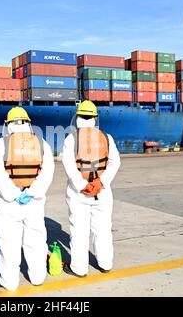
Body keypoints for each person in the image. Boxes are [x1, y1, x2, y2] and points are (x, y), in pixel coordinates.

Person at [0, 106, 55, 291]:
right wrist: (33, 192)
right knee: (36, 239)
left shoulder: (1, 144)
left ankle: (9, 282)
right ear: (28, 123)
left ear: (8, 125)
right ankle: (37, 277)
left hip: (8, 203)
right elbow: (48, 172)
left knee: (9, 243)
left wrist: (14, 194)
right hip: (33, 201)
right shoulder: (42, 143)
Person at [62, 100, 121, 277]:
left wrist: (83, 186)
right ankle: (105, 264)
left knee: (79, 231)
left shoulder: (71, 139)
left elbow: (69, 166)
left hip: (79, 193)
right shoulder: (106, 137)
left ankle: (79, 269)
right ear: (95, 119)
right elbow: (114, 162)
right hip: (102, 192)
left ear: (78, 118)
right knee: (102, 229)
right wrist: (101, 183)